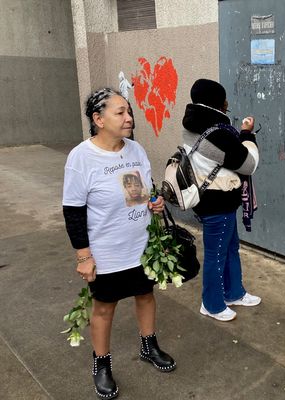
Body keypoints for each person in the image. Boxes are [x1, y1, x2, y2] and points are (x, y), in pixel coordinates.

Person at [62, 87, 176, 400]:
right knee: (104, 309)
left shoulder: (134, 150)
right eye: (120, 113)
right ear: (98, 119)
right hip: (106, 251)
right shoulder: (81, 158)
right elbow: (73, 212)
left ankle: (148, 345)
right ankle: (102, 364)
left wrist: (152, 202)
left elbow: (138, 191)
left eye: (129, 111)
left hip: (140, 246)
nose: (129, 118)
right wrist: (84, 256)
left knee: (145, 295)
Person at [181, 78, 261, 322]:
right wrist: (247, 135)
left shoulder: (195, 125)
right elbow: (248, 164)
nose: (228, 102)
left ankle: (233, 292)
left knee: (229, 248)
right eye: (224, 98)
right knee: (217, 255)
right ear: (217, 102)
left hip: (219, 200)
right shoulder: (216, 133)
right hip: (217, 203)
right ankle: (212, 304)